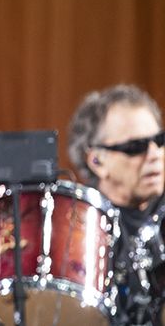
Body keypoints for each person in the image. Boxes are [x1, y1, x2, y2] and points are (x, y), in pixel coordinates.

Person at [68, 83, 165, 325]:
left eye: (159, 140)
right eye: (135, 147)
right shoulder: (76, 231)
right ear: (97, 161)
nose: (154, 154)